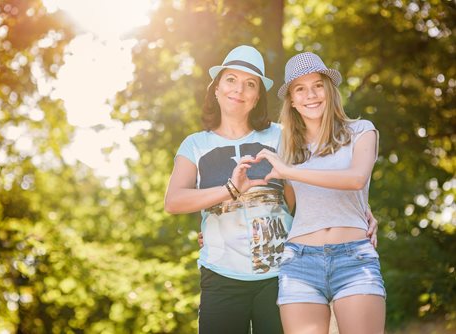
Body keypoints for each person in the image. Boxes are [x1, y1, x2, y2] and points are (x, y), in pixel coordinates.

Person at [254, 52, 386, 334]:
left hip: (354, 259)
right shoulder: (285, 148)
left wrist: (289, 171)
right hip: (299, 262)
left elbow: (355, 180)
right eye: (300, 89)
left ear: (329, 90)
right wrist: (215, 229)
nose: (310, 95)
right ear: (291, 100)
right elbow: (286, 206)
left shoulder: (361, 131)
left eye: (317, 85)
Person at [164, 45, 291, 333]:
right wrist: (231, 189)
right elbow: (174, 201)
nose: (240, 89)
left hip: (280, 275)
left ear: (258, 96)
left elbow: (307, 190)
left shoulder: (280, 136)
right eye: (231, 79)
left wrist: (359, 212)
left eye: (250, 84)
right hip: (221, 277)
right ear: (217, 88)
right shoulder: (195, 144)